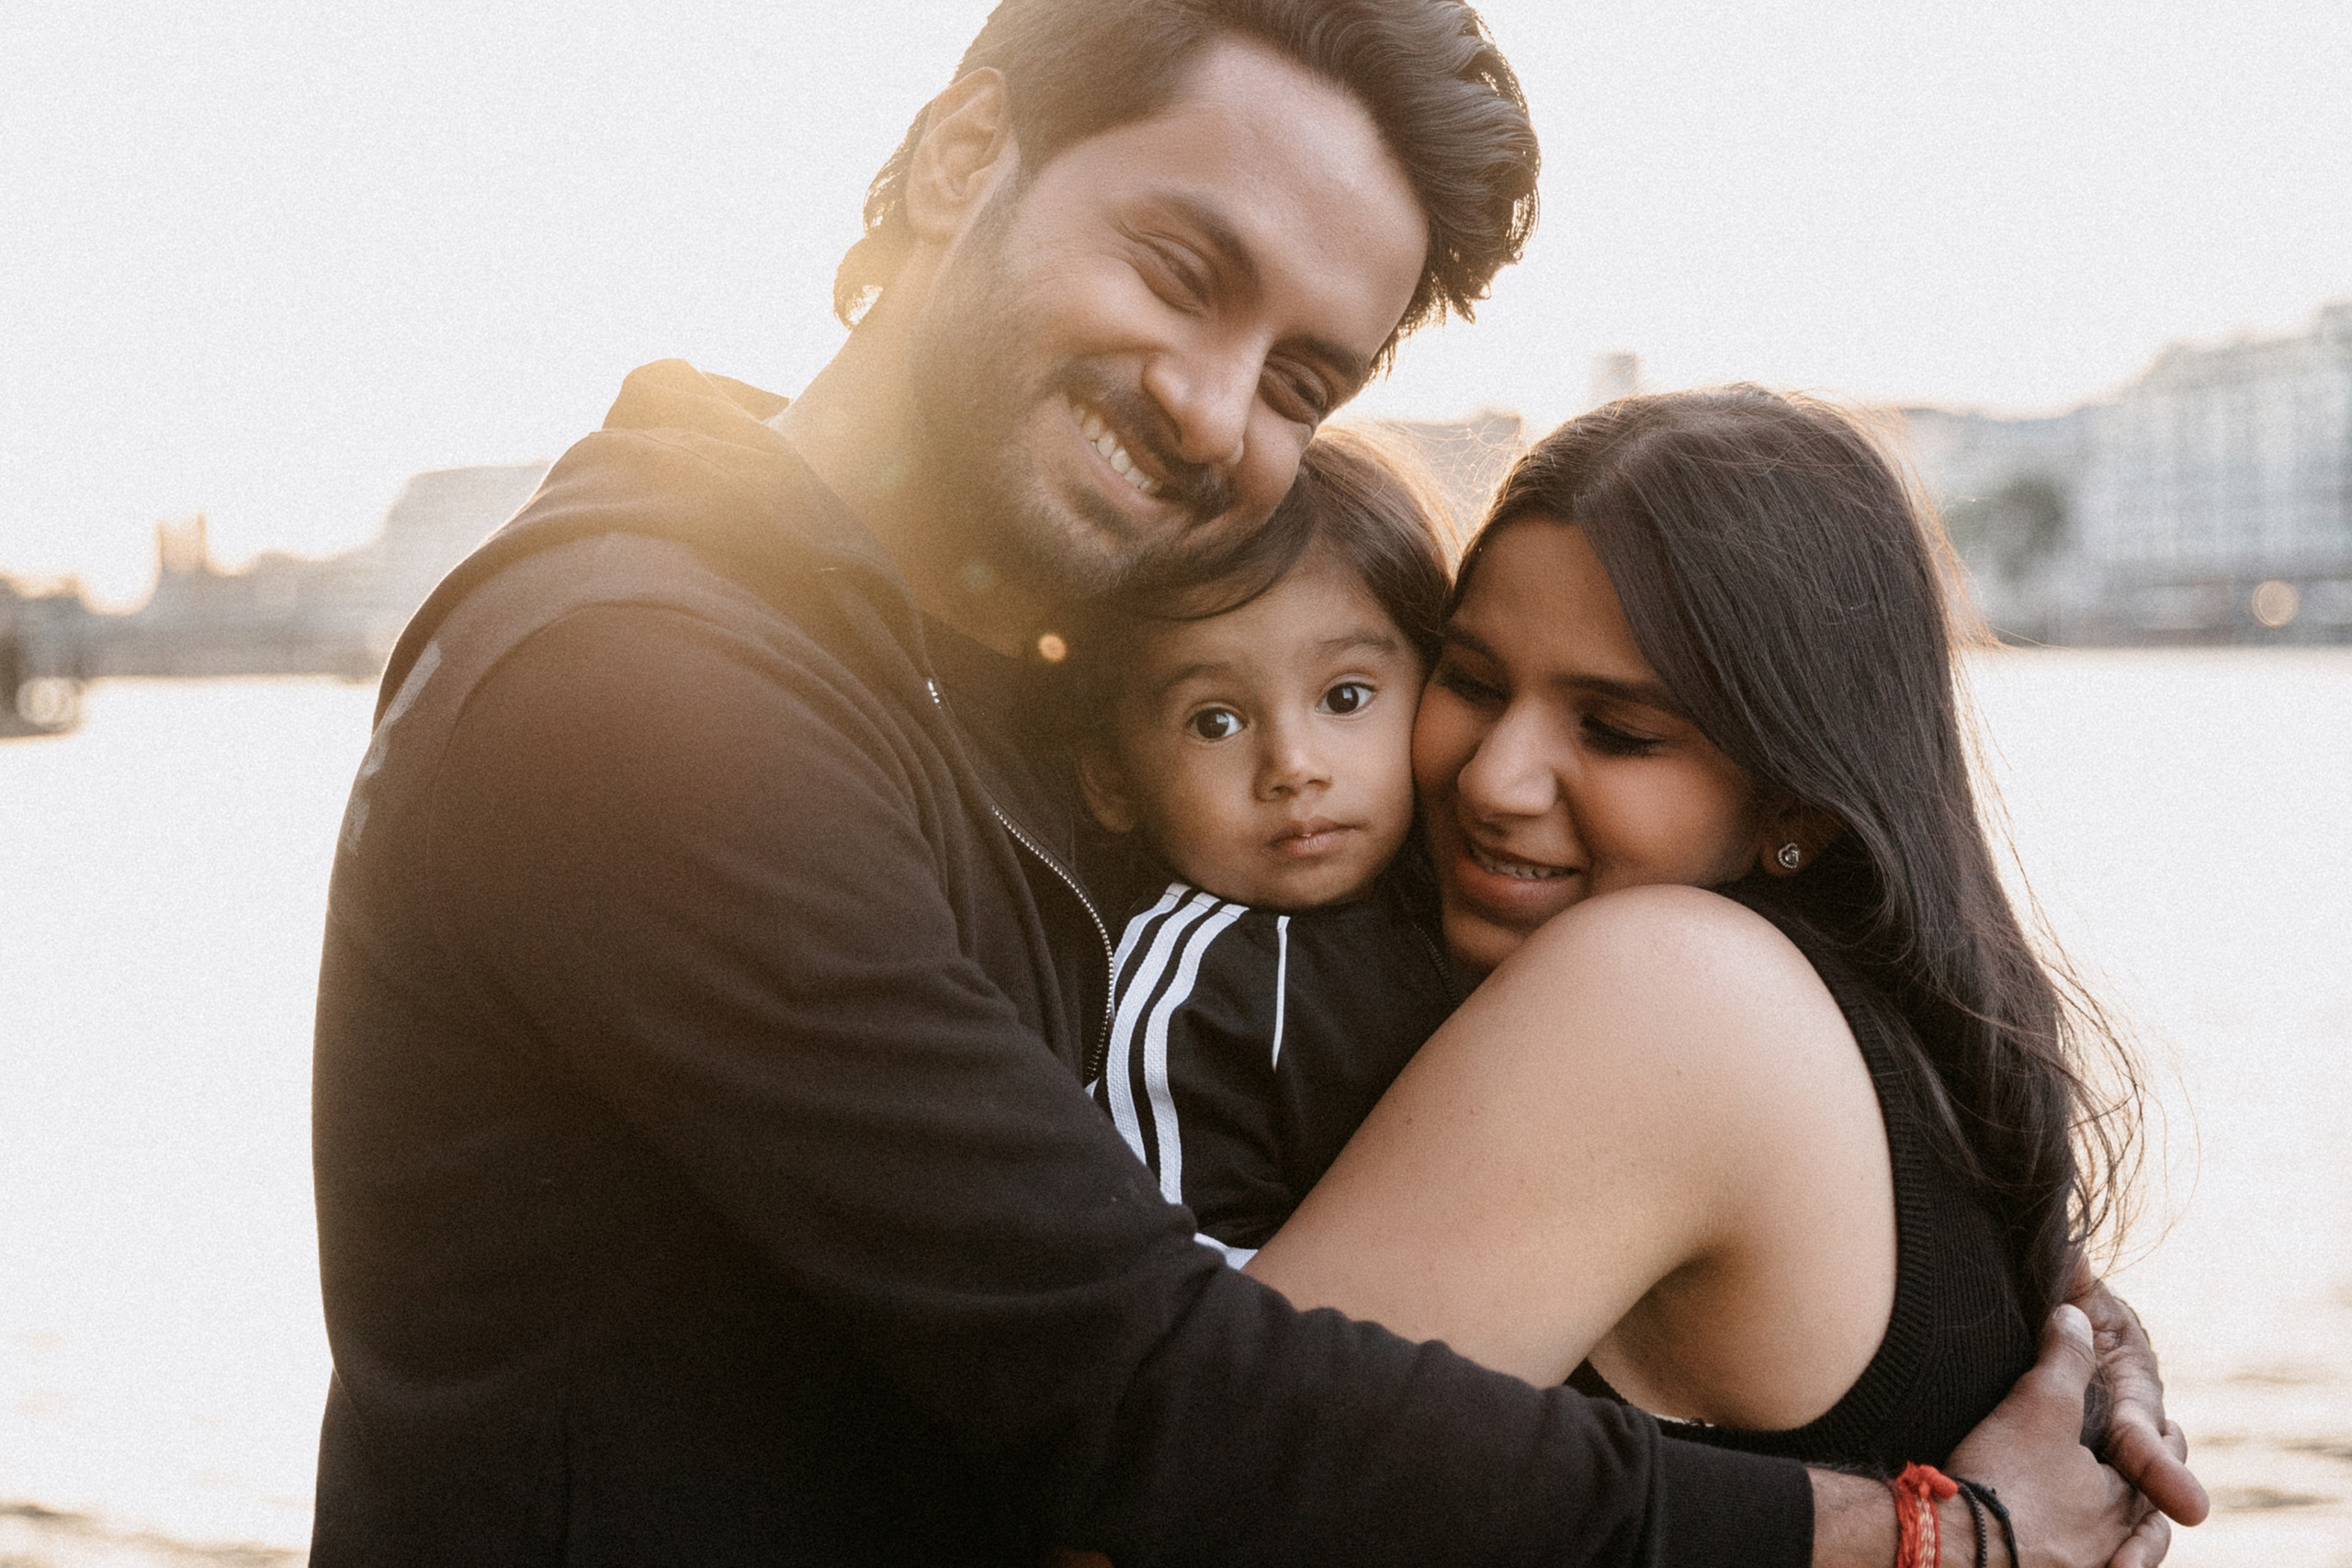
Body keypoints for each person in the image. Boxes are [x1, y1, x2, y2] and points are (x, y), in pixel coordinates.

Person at [308, 2, 2204, 1563]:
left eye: (1303, 375)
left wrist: (2018, 1300)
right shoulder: (638, 687)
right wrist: (1924, 1539)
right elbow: (1160, 1397)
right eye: (1176, 267)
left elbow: (1544, 1060)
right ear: (967, 160)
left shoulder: (1080, 715)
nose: (1215, 409)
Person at [1239, 389, 2143, 1484]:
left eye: (1615, 732)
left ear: (1795, 806)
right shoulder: (1869, 1019)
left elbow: (1173, 1500)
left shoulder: (1663, 985)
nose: (1492, 777)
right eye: (1471, 680)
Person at [1077, 432, 1459, 1259]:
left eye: (1346, 696)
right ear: (1111, 777)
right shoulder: (1190, 992)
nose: (1293, 766)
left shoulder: (1459, 900)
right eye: (1216, 720)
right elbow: (1186, 1291)